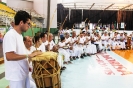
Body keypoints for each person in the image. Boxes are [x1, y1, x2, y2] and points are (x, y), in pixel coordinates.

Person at [3, 10, 40, 88]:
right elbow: (9, 56)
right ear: (21, 23)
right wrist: (29, 55)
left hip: (23, 74)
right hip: (16, 77)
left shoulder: (19, 35)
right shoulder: (10, 35)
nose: (29, 26)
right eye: (28, 24)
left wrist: (26, 66)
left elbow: (19, 53)